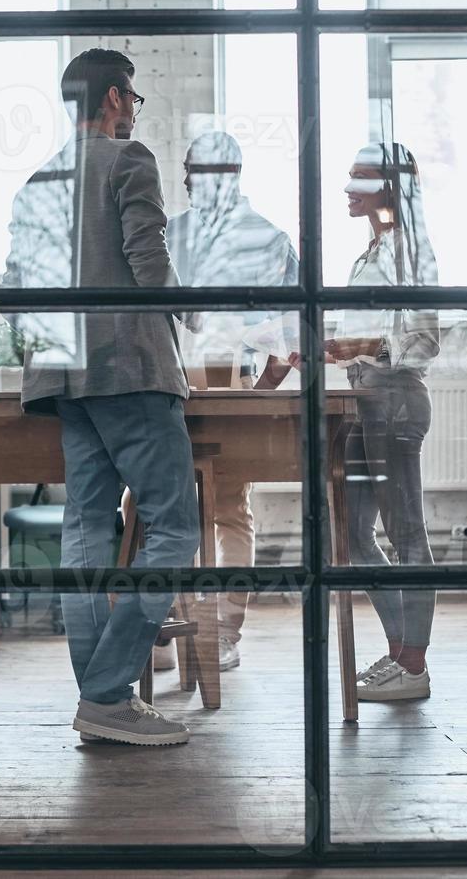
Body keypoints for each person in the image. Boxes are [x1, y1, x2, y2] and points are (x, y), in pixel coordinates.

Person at [3, 48, 198, 746]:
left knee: (85, 527)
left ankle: (100, 700)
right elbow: (148, 265)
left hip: (61, 377)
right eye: (133, 99)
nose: (133, 112)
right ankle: (108, 692)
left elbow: (20, 291)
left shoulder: (36, 181)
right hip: (129, 370)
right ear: (115, 98)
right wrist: (196, 313)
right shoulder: (128, 160)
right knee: (173, 529)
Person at [167, 130, 299, 673]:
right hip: (173, 388)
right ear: (189, 179)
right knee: (153, 508)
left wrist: (258, 394)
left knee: (225, 510)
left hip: (225, 388)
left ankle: (220, 630)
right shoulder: (169, 234)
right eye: (200, 174)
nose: (207, 184)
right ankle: (165, 626)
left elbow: (288, 331)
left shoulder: (266, 239)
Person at [331, 141, 441, 702]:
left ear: (391, 187)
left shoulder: (410, 248)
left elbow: (423, 340)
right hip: (364, 398)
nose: (348, 187)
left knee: (406, 536)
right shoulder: (372, 249)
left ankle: (414, 665)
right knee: (350, 532)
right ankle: (400, 651)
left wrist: (362, 343)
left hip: (395, 399)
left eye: (361, 177)